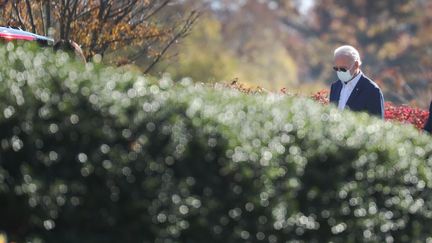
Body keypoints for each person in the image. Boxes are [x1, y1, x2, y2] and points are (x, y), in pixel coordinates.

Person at [329, 45, 384, 118]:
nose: (339, 72)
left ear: (356, 65)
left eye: (343, 69)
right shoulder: (335, 87)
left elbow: (378, 123)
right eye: (336, 68)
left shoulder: (372, 90)